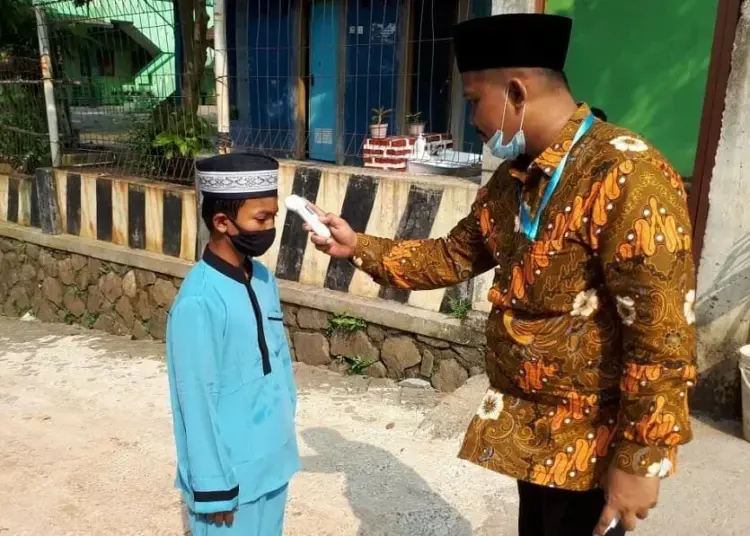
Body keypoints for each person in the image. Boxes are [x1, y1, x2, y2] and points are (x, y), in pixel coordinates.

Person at [303, 13, 696, 536]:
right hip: (529, 434)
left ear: (515, 91)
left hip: (590, 445)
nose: (473, 120)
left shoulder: (626, 175)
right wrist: (358, 247)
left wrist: (640, 458)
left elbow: (661, 330)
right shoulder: (516, 179)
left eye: (472, 100)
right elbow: (451, 255)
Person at [166, 153, 299, 536]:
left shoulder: (262, 278)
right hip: (230, 480)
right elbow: (194, 397)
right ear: (222, 222)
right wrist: (213, 485)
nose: (271, 227)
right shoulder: (198, 301)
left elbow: (280, 359)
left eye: (273, 216)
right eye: (262, 219)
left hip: (273, 462)